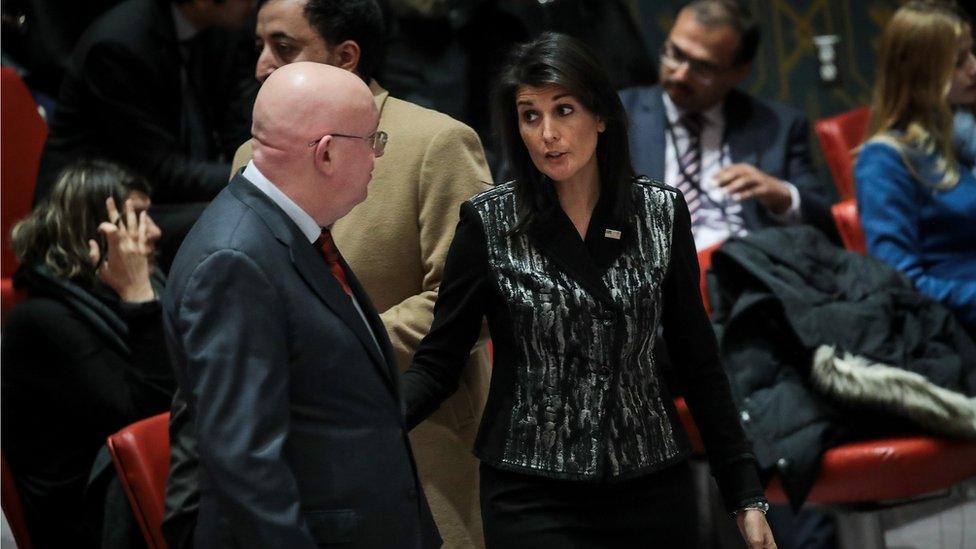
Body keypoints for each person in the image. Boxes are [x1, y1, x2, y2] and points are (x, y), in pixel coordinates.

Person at [401, 33, 775, 549]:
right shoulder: (488, 223)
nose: (547, 133)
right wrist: (372, 422)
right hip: (532, 486)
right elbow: (440, 361)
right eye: (530, 116)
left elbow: (698, 360)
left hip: (650, 480)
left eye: (564, 109)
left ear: (600, 116)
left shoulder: (661, 214)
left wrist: (744, 494)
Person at [161, 1, 492, 546]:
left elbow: (465, 297)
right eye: (260, 46)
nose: (264, 65)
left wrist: (328, 349)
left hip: (421, 449)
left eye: (285, 47)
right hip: (316, 494)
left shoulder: (437, 142)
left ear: (347, 56)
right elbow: (242, 450)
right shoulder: (255, 176)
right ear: (325, 155)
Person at [1, 159, 174, 548]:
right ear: (94, 233)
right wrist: (140, 301)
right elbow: (150, 420)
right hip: (90, 520)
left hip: (142, 494)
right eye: (139, 218)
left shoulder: (129, 293)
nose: (155, 232)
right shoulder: (41, 323)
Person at [34, 0, 259, 270]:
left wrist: (256, 165)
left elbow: (238, 128)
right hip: (96, 212)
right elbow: (160, 172)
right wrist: (252, 174)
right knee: (237, 220)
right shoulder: (119, 44)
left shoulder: (222, 29)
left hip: (161, 199)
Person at [619, 0, 838, 251]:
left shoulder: (779, 126)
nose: (680, 74)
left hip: (749, 270)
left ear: (739, 73)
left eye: (702, 68)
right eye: (675, 54)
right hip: (655, 270)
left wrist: (780, 195)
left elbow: (826, 221)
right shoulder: (617, 114)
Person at [855, 0, 976, 332]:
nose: (974, 68)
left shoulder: (957, 135)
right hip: (955, 328)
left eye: (971, 54)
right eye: (958, 62)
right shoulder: (882, 162)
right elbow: (901, 283)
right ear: (921, 71)